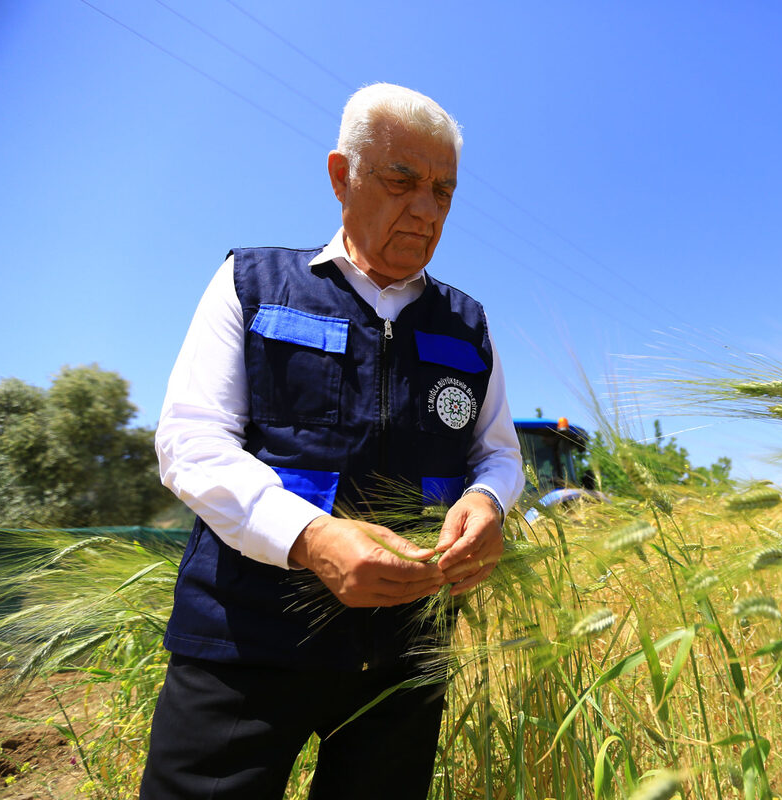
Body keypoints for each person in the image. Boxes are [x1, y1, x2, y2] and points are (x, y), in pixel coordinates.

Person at [140, 83, 524, 800]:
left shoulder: (468, 324)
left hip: (405, 657)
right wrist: (314, 539)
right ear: (341, 176)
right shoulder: (251, 284)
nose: (427, 209)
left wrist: (488, 500)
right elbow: (190, 442)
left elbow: (497, 452)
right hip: (244, 644)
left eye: (444, 190)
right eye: (402, 180)